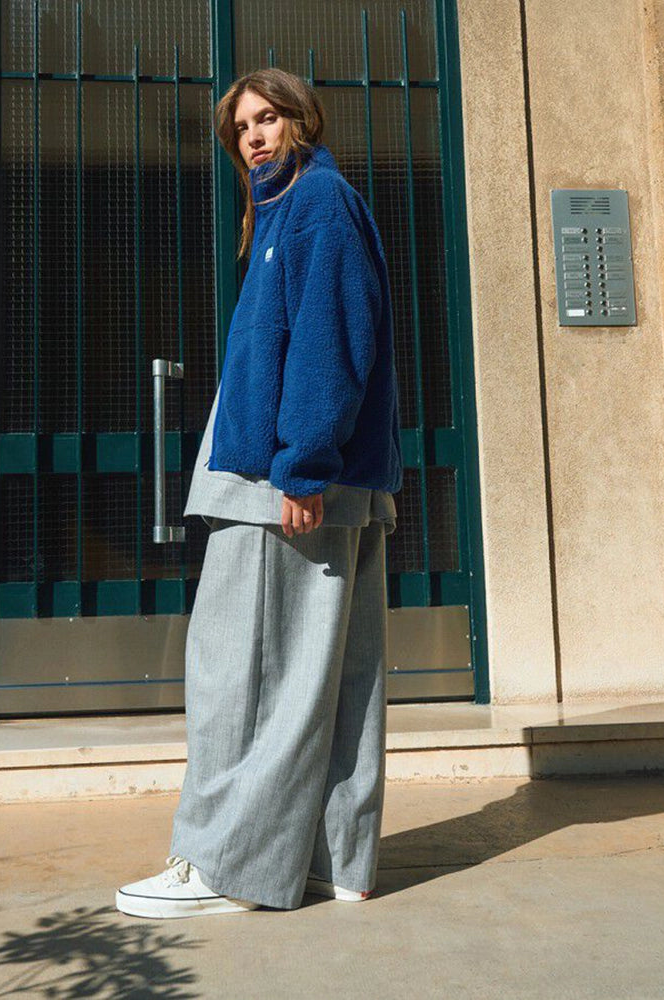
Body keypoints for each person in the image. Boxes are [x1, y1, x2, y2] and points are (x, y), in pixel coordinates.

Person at [116, 68, 403, 919]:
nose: (253, 136)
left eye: (268, 118)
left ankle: (225, 867)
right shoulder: (290, 209)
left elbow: (330, 337)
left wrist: (304, 466)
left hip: (282, 482)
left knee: (240, 676)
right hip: (303, 474)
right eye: (241, 127)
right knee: (326, 677)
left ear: (301, 120)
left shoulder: (317, 204)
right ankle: (330, 860)